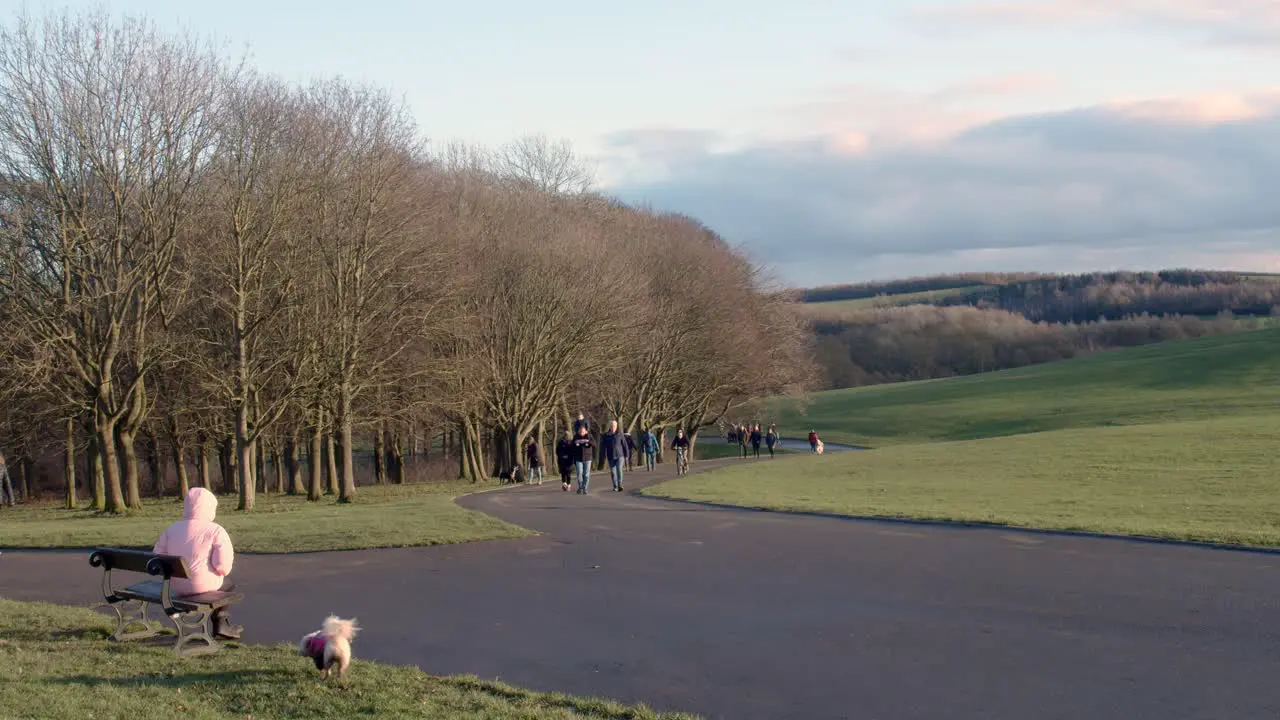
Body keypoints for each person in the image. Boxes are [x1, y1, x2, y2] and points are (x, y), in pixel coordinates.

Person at [153, 487, 242, 639]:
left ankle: (221, 624)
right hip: (202, 586)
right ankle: (221, 625)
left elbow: (157, 556)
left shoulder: (172, 529)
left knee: (221, 583)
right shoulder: (215, 530)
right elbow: (223, 567)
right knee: (228, 583)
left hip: (177, 586)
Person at [601, 420, 627, 492]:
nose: (613, 428)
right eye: (612, 426)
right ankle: (615, 486)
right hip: (611, 456)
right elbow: (603, 447)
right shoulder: (606, 435)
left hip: (620, 455)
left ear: (616, 426)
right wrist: (603, 455)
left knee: (619, 468)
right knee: (613, 472)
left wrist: (627, 454)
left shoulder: (619, 434)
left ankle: (620, 484)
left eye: (614, 426)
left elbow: (624, 444)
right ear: (610, 427)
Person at [572, 426, 594, 494]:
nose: (582, 433)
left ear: (586, 431)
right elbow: (571, 445)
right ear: (578, 432)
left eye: (583, 432)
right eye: (580, 432)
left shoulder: (589, 436)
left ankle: (585, 488)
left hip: (587, 458)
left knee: (586, 474)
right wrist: (576, 442)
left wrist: (588, 441)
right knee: (579, 474)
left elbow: (594, 444)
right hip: (578, 458)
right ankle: (580, 487)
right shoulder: (576, 437)